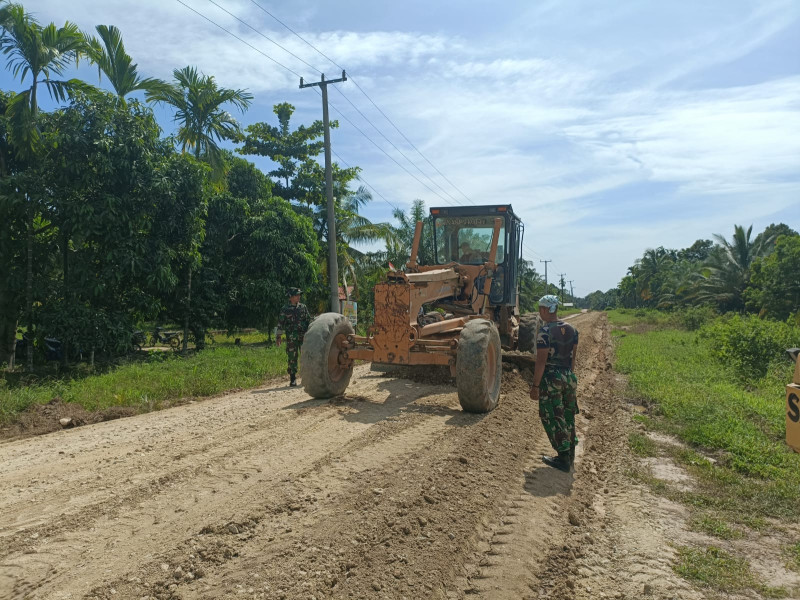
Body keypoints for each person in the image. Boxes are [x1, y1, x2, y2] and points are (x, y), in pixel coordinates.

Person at [529, 294, 579, 472]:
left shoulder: (545, 332)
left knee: (551, 415)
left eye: (539, 308)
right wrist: (569, 378)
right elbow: (572, 358)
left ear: (544, 309)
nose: (539, 312)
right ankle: (571, 452)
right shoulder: (573, 330)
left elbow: (541, 362)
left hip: (551, 379)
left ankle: (563, 457)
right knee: (567, 414)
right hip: (568, 376)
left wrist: (535, 386)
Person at [276, 287, 312, 387]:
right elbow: (280, 324)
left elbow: (309, 320)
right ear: (291, 297)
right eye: (297, 295)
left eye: (299, 295)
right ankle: (293, 379)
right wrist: (278, 337)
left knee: (306, 356)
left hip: (303, 337)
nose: (299, 297)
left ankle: (308, 377)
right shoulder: (285, 309)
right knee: (292, 357)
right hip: (291, 338)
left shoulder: (303, 307)